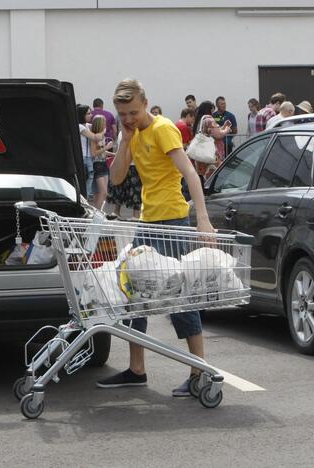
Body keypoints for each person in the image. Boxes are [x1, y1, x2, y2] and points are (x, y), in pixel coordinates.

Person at [99, 79, 215, 396]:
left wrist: (202, 219)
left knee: (180, 296)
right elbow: (118, 177)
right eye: (122, 113)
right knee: (133, 291)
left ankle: (198, 372)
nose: (128, 118)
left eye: (133, 112)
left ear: (146, 103)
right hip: (148, 221)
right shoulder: (132, 135)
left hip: (173, 220)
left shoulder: (163, 128)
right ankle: (137, 369)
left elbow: (189, 173)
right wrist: (125, 139)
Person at [193, 101, 232, 180]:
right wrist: (227, 130)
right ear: (209, 109)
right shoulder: (209, 120)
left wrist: (223, 126)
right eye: (212, 110)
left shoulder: (200, 120)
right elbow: (218, 135)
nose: (213, 112)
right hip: (212, 154)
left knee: (204, 177)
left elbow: (212, 133)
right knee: (214, 177)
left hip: (201, 155)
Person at [77, 104, 103, 198]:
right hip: (84, 157)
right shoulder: (80, 127)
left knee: (89, 180)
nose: (91, 115)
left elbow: (97, 125)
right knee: (86, 182)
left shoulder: (86, 125)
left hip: (88, 157)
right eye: (88, 113)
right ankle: (84, 201)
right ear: (81, 115)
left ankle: (85, 199)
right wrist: (103, 131)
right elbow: (96, 137)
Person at [89, 115, 112, 209]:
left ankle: (97, 213)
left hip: (103, 164)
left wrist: (114, 154)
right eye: (104, 123)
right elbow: (93, 153)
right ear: (100, 124)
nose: (105, 125)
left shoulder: (102, 137)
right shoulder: (94, 137)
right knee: (103, 192)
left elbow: (102, 152)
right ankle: (97, 214)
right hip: (97, 165)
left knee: (99, 193)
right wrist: (106, 147)